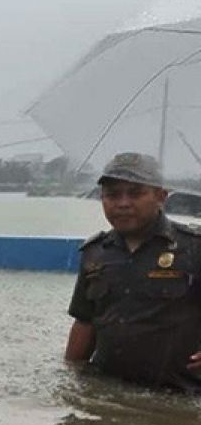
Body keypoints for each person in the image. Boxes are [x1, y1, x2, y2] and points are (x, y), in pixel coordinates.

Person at [65, 153, 201, 391]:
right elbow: (84, 322)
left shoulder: (193, 248)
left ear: (161, 196)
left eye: (135, 193)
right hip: (105, 395)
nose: (123, 203)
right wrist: (69, 382)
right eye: (113, 194)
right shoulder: (95, 254)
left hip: (179, 396)